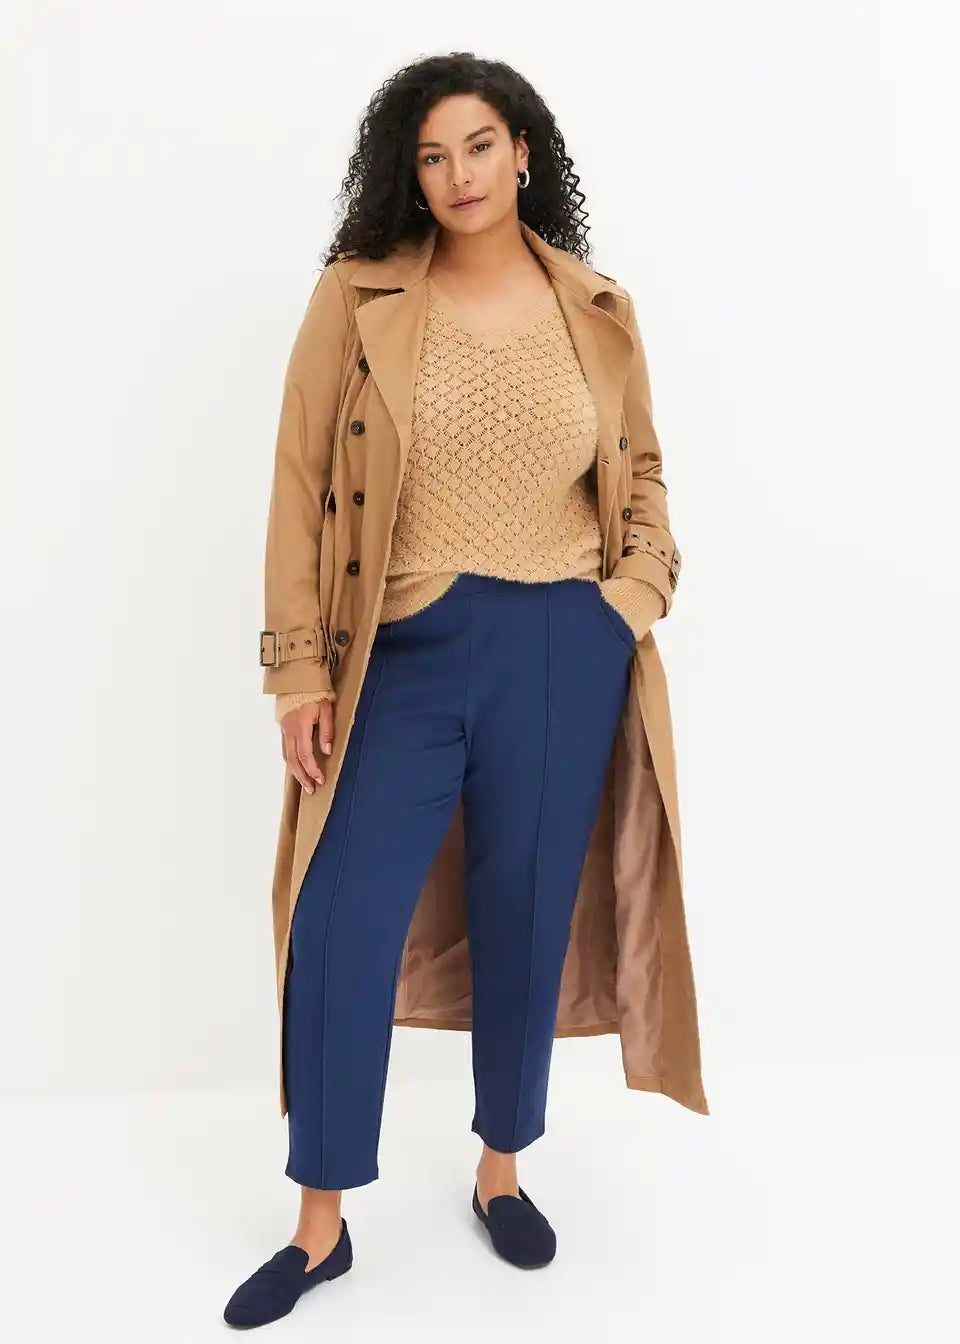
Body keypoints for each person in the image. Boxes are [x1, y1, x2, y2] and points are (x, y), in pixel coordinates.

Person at [224, 50, 705, 1331]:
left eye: (480, 146)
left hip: (562, 646)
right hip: (403, 649)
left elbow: (643, 475)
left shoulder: (596, 307)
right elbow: (297, 482)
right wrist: (297, 670)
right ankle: (320, 1224)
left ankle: (502, 1170)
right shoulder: (359, 296)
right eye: (432, 156)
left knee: (525, 916)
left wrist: (631, 600)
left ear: (524, 152)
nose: (458, 175)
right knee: (339, 922)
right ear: (409, 173)